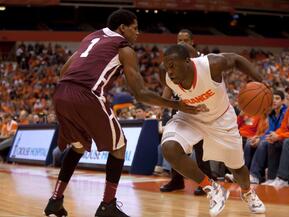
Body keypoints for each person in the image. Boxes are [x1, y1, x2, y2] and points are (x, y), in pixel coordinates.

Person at [44, 9, 200, 217]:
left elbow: (64, 71)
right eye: (135, 28)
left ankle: (55, 200)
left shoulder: (91, 37)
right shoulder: (124, 49)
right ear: (122, 28)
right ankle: (108, 205)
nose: (138, 33)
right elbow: (141, 93)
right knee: (120, 147)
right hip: (87, 95)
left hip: (61, 94)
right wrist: (177, 105)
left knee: (78, 147)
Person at [160, 44, 266, 217]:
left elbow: (237, 59)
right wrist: (166, 106)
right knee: (169, 148)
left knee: (237, 169)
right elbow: (163, 91)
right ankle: (212, 188)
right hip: (190, 117)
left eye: (173, 66)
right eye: (167, 67)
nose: (169, 71)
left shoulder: (211, 65)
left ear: (187, 61)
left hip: (221, 119)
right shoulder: (165, 74)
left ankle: (248, 193)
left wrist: (261, 80)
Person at [159, 29, 212, 195]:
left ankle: (206, 181)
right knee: (175, 144)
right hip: (181, 108)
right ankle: (177, 180)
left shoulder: (202, 59)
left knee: (201, 148)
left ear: (192, 41)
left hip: (201, 108)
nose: (181, 43)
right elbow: (168, 85)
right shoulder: (173, 60)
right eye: (179, 40)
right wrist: (162, 106)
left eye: (185, 40)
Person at [244, 90, 287, 184]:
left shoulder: (285, 112)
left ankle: (255, 176)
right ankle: (243, 174)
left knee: (263, 143)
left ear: (283, 101)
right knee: (249, 143)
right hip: (272, 137)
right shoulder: (271, 114)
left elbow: (281, 131)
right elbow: (268, 132)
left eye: (277, 98)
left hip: (282, 139)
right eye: (273, 99)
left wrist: (261, 139)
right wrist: (258, 138)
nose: (274, 101)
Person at [264, 83, 289, 187]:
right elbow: (283, 128)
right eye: (288, 92)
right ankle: (272, 178)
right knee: (273, 143)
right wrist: (275, 135)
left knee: (288, 142)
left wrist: (279, 136)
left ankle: (283, 179)